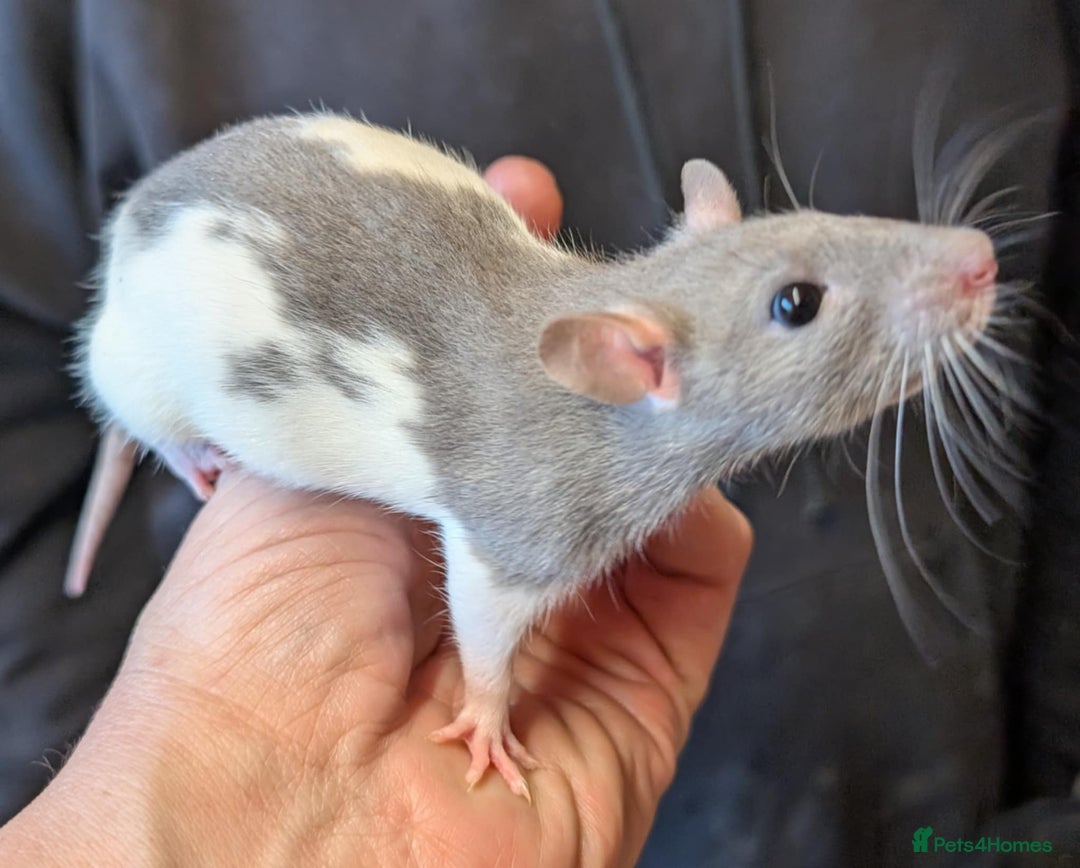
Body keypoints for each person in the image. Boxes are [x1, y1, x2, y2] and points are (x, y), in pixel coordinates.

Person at [0, 2, 1077, 866]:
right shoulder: (561, 487)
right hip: (181, 286)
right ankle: (154, 428)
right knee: (143, 389)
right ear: (638, 362)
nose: (962, 259)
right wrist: (484, 699)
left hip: (901, 789)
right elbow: (492, 562)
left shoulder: (626, 350)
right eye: (797, 305)